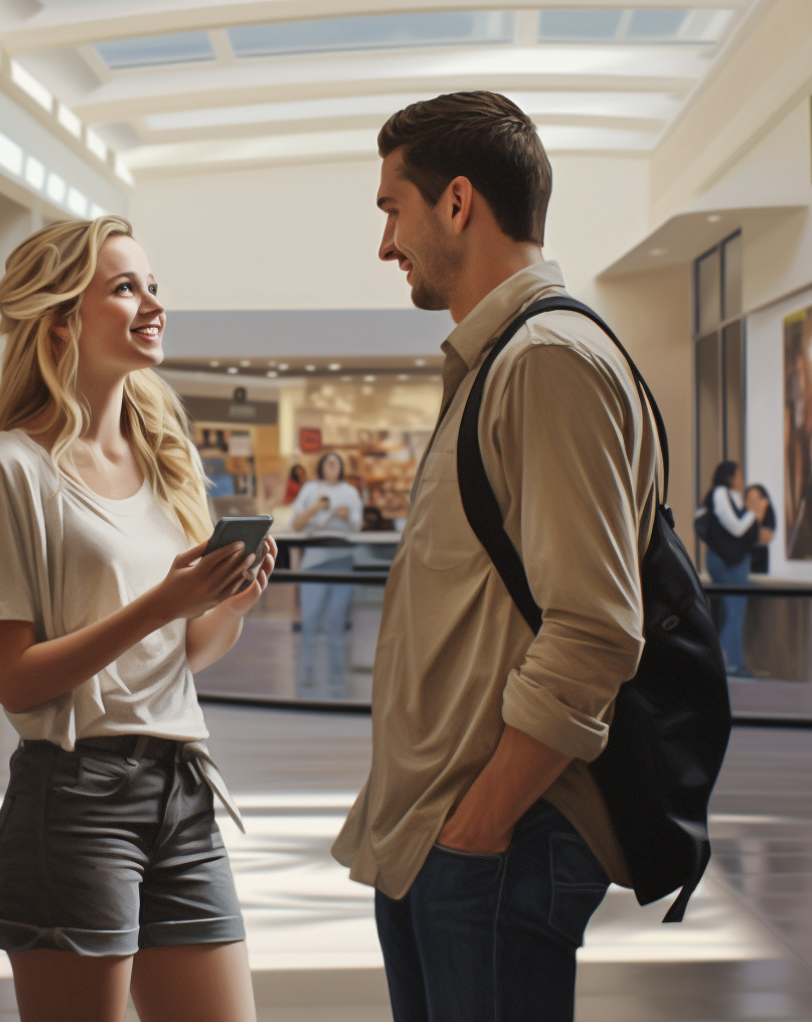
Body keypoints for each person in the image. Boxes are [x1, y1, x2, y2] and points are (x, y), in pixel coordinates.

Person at [331, 91, 663, 1022]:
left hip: (493, 847)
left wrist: (476, 831)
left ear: (459, 202)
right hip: (447, 840)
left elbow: (596, 628)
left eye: (393, 209)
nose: (386, 244)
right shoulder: (500, 362)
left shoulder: (546, 362)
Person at [0, 215, 276, 1022]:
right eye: (124, 288)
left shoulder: (167, 457)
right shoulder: (3, 472)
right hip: (74, 802)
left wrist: (225, 604)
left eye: (154, 286)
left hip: (183, 792)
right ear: (61, 319)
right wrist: (160, 604)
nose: (152, 304)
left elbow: (182, 655)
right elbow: (15, 680)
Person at [291, 452, 364, 697]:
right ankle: (306, 676)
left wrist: (347, 516)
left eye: (337, 463)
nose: (333, 466)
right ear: (321, 466)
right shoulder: (310, 489)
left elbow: (358, 525)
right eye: (329, 462)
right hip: (313, 563)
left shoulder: (351, 492)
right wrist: (316, 508)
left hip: (342, 562)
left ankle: (336, 680)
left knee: (335, 624)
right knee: (310, 622)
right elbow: (296, 524)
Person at [700, 461, 768, 675]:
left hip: (731, 563)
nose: (741, 480)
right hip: (726, 563)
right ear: (729, 476)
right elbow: (736, 528)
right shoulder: (720, 494)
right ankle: (726, 664)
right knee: (734, 613)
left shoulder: (729, 496)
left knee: (735, 612)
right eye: (738, 475)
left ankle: (733, 664)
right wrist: (753, 514)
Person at [745, 483, 776, 574]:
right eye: (750, 500)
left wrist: (758, 516)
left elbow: (765, 537)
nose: (753, 504)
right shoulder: (743, 515)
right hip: (744, 556)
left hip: (760, 557)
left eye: (756, 500)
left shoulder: (767, 514)